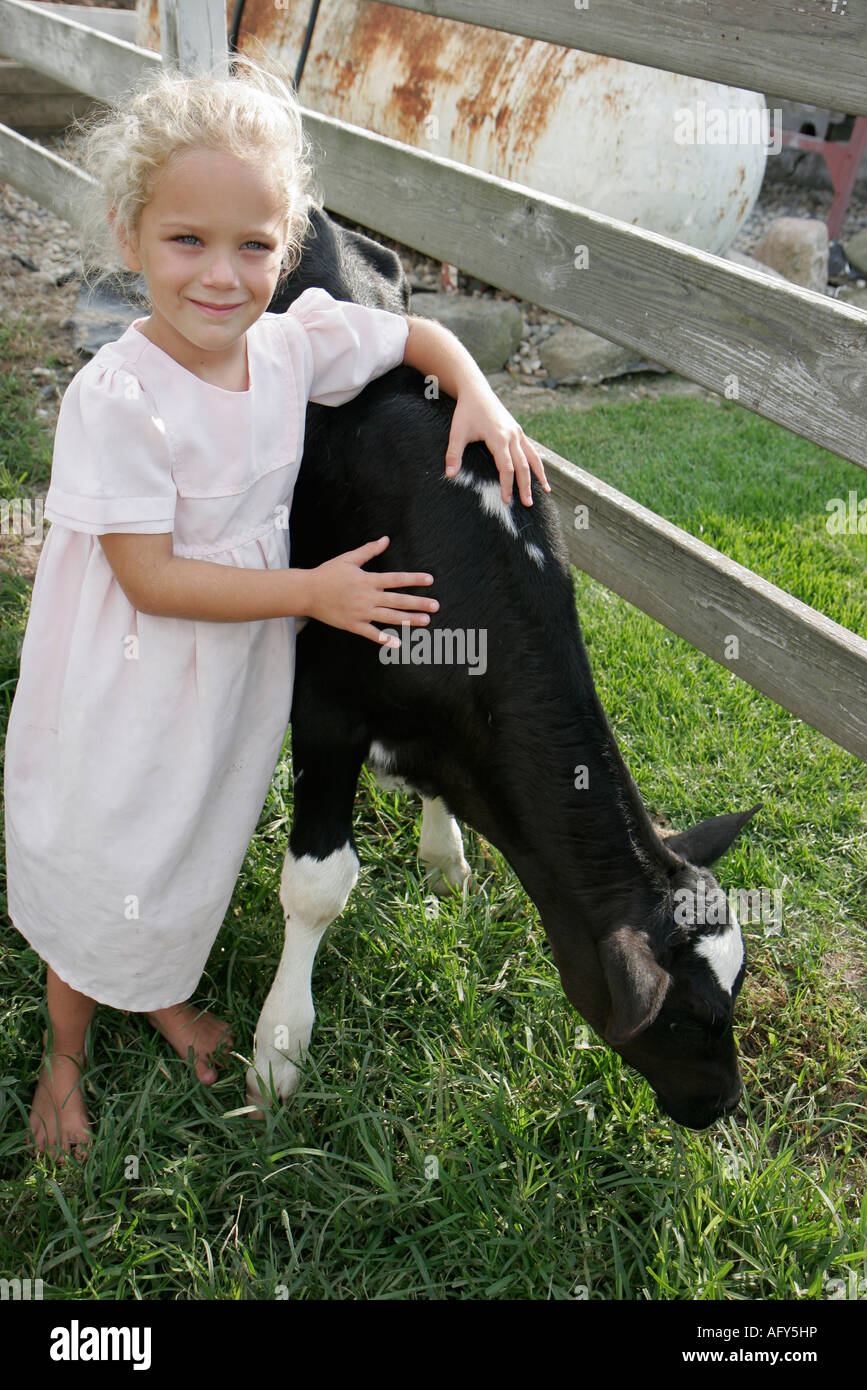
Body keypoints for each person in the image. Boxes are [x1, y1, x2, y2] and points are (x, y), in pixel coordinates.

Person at [4, 58, 549, 1159]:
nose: (222, 275)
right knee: (113, 846)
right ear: (128, 235)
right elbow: (150, 579)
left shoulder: (291, 344)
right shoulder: (118, 399)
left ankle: (156, 987)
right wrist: (312, 592)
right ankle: (66, 1052)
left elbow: (414, 340)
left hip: (224, 685)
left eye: (254, 245)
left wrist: (480, 394)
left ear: (288, 241)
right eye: (186, 241)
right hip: (128, 680)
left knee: (194, 837)